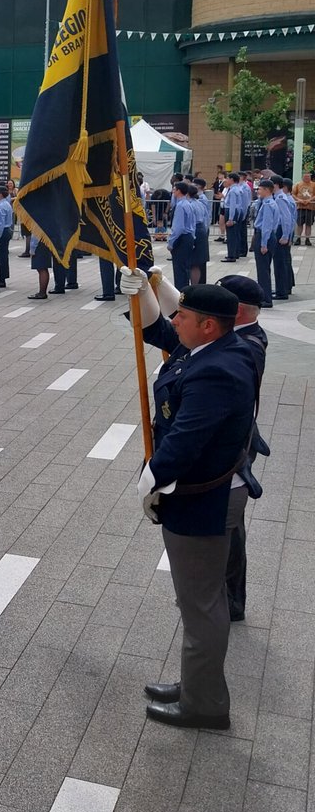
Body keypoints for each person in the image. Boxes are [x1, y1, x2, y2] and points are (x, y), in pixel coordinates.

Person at [118, 280, 258, 729]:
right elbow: (159, 329)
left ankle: (206, 705)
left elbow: (186, 440)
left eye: (183, 315)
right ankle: (197, 683)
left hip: (204, 498)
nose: (174, 320)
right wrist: (146, 288)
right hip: (205, 493)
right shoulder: (214, 349)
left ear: (209, 326)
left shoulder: (217, 369)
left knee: (201, 604)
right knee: (197, 600)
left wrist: (150, 482)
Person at [251, 177, 278, 309]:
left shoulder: (268, 205)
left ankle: (265, 298)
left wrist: (263, 244)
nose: (258, 191)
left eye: (260, 189)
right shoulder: (271, 202)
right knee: (264, 268)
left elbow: (266, 225)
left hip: (264, 236)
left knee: (263, 270)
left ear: (267, 190)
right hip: (268, 236)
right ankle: (265, 296)